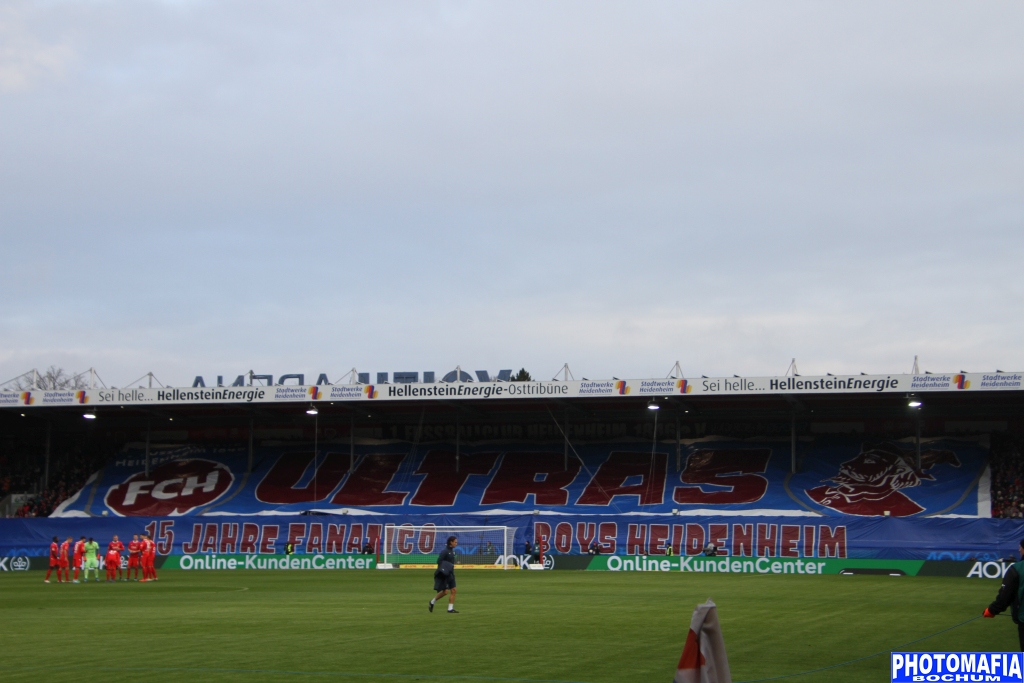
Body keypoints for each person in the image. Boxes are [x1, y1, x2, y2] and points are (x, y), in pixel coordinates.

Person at [984, 537, 1024, 650]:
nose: (1019, 550)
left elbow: (1005, 596)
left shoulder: (1017, 569)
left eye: (1020, 547)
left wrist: (991, 610)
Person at [429, 536, 459, 614]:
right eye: (455, 542)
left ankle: (450, 608)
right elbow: (439, 561)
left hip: (451, 573)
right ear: (451, 542)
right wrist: (443, 570)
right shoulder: (445, 551)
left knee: (454, 590)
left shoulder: (453, 552)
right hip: (445, 574)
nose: (456, 543)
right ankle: (432, 602)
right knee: (445, 592)